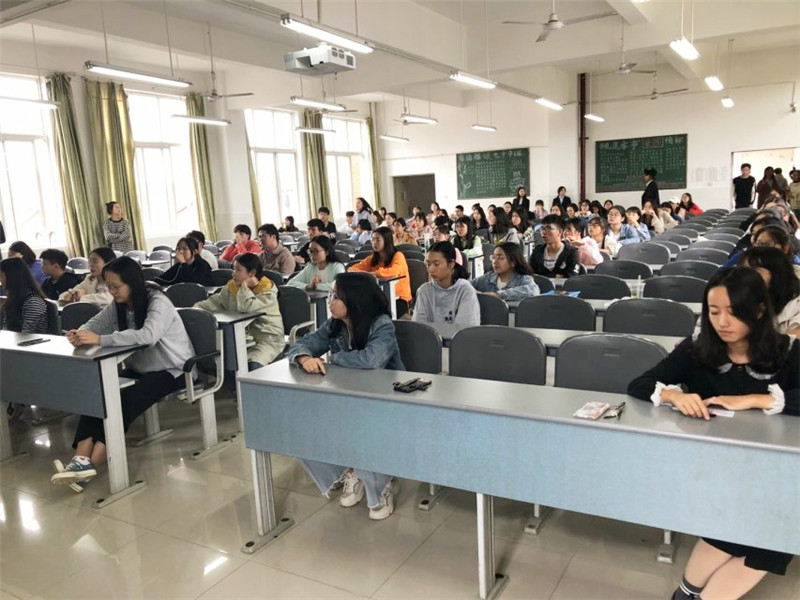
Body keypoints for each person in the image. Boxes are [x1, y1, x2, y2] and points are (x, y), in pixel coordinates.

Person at [628, 267, 798, 600]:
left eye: (733, 312)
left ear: (759, 310)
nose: (722, 322)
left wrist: (758, 399)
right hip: (712, 466)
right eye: (714, 311)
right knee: (774, 530)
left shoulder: (789, 352)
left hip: (774, 468)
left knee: (777, 527)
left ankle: (686, 593)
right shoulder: (697, 350)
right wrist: (674, 395)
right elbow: (640, 384)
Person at [53, 257, 194, 491]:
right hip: (141, 369)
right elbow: (94, 324)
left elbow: (148, 336)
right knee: (99, 397)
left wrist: (100, 340)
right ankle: (80, 460)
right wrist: (80, 334)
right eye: (109, 286)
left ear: (132, 283)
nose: (112, 291)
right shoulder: (119, 304)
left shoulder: (157, 301)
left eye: (116, 286)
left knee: (123, 402)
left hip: (173, 369)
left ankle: (89, 466)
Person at [287, 272, 403, 520]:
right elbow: (301, 345)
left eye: (336, 296)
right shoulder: (335, 324)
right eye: (331, 295)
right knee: (305, 423)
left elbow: (371, 359)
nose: (330, 301)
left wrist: (333, 358)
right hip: (349, 396)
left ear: (355, 299)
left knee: (361, 427)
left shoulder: (381, 324)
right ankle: (351, 469)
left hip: (386, 399)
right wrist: (304, 358)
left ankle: (381, 485)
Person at [195, 252, 284, 371]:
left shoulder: (267, 292)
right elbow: (217, 301)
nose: (233, 273)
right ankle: (231, 384)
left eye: (238, 270)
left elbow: (246, 307)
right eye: (234, 269)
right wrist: (198, 307)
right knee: (216, 362)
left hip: (267, 340)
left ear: (252, 273)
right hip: (242, 339)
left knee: (252, 365)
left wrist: (244, 286)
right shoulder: (232, 287)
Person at [348, 227, 412, 317]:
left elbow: (393, 272)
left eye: (377, 240)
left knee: (376, 316)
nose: (374, 242)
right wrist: (365, 274)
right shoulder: (372, 258)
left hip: (398, 299)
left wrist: (373, 274)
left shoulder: (398, 256)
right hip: (378, 298)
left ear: (387, 241)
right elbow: (351, 269)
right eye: (372, 239)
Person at [413, 241, 480, 325]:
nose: (431, 269)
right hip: (429, 334)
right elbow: (418, 327)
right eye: (428, 264)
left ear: (451, 264)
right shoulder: (424, 290)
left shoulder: (465, 291)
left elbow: (465, 329)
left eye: (436, 264)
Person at [738, 246, 800, 337]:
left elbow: (793, 341)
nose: (747, 277)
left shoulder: (796, 306)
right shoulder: (737, 299)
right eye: (744, 271)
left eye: (756, 272)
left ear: (777, 274)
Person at [472, 243, 539, 301]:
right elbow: (468, 286)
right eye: (493, 257)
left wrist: (498, 295)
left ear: (513, 262)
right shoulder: (488, 278)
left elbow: (533, 291)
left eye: (500, 258)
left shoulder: (523, 279)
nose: (495, 262)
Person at [0, 257, 49, 333]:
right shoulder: (12, 299)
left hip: (30, 340)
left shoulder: (33, 301)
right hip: (14, 340)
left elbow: (27, 334)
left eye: (1, 275)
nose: (0, 280)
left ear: (11, 276)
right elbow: (6, 330)